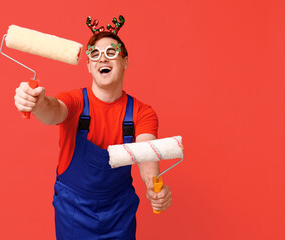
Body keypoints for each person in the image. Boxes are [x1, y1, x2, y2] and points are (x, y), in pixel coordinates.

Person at [14, 16, 172, 239]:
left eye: (111, 52)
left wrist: (155, 188)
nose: (102, 59)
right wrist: (37, 103)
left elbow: (147, 156)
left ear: (125, 61)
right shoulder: (75, 101)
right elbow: (53, 111)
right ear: (88, 66)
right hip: (73, 209)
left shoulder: (142, 113)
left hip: (120, 212)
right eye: (94, 54)